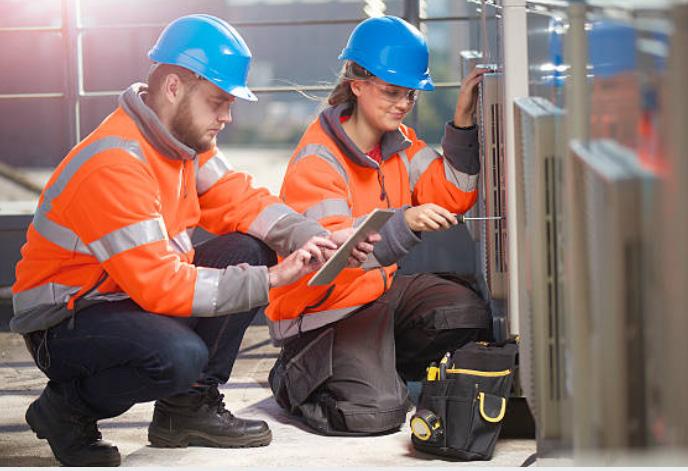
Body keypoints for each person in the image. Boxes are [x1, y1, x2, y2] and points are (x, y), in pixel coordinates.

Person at [11, 14, 376, 467]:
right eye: (219, 102)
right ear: (173, 88)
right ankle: (65, 411)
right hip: (65, 320)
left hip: (120, 296)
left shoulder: (183, 144)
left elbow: (243, 202)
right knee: (178, 356)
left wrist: (317, 237)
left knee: (247, 247)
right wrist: (274, 277)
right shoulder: (116, 163)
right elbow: (161, 285)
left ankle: (186, 411)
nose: (227, 117)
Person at [266, 15, 491, 435]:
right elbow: (336, 261)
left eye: (410, 94)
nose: (403, 103)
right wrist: (404, 223)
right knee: (375, 414)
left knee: (468, 315)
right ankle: (293, 377)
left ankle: (374, 364)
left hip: (378, 294)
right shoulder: (318, 162)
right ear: (358, 84)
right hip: (325, 313)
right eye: (391, 91)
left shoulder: (401, 143)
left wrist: (462, 119)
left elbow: (455, 194)